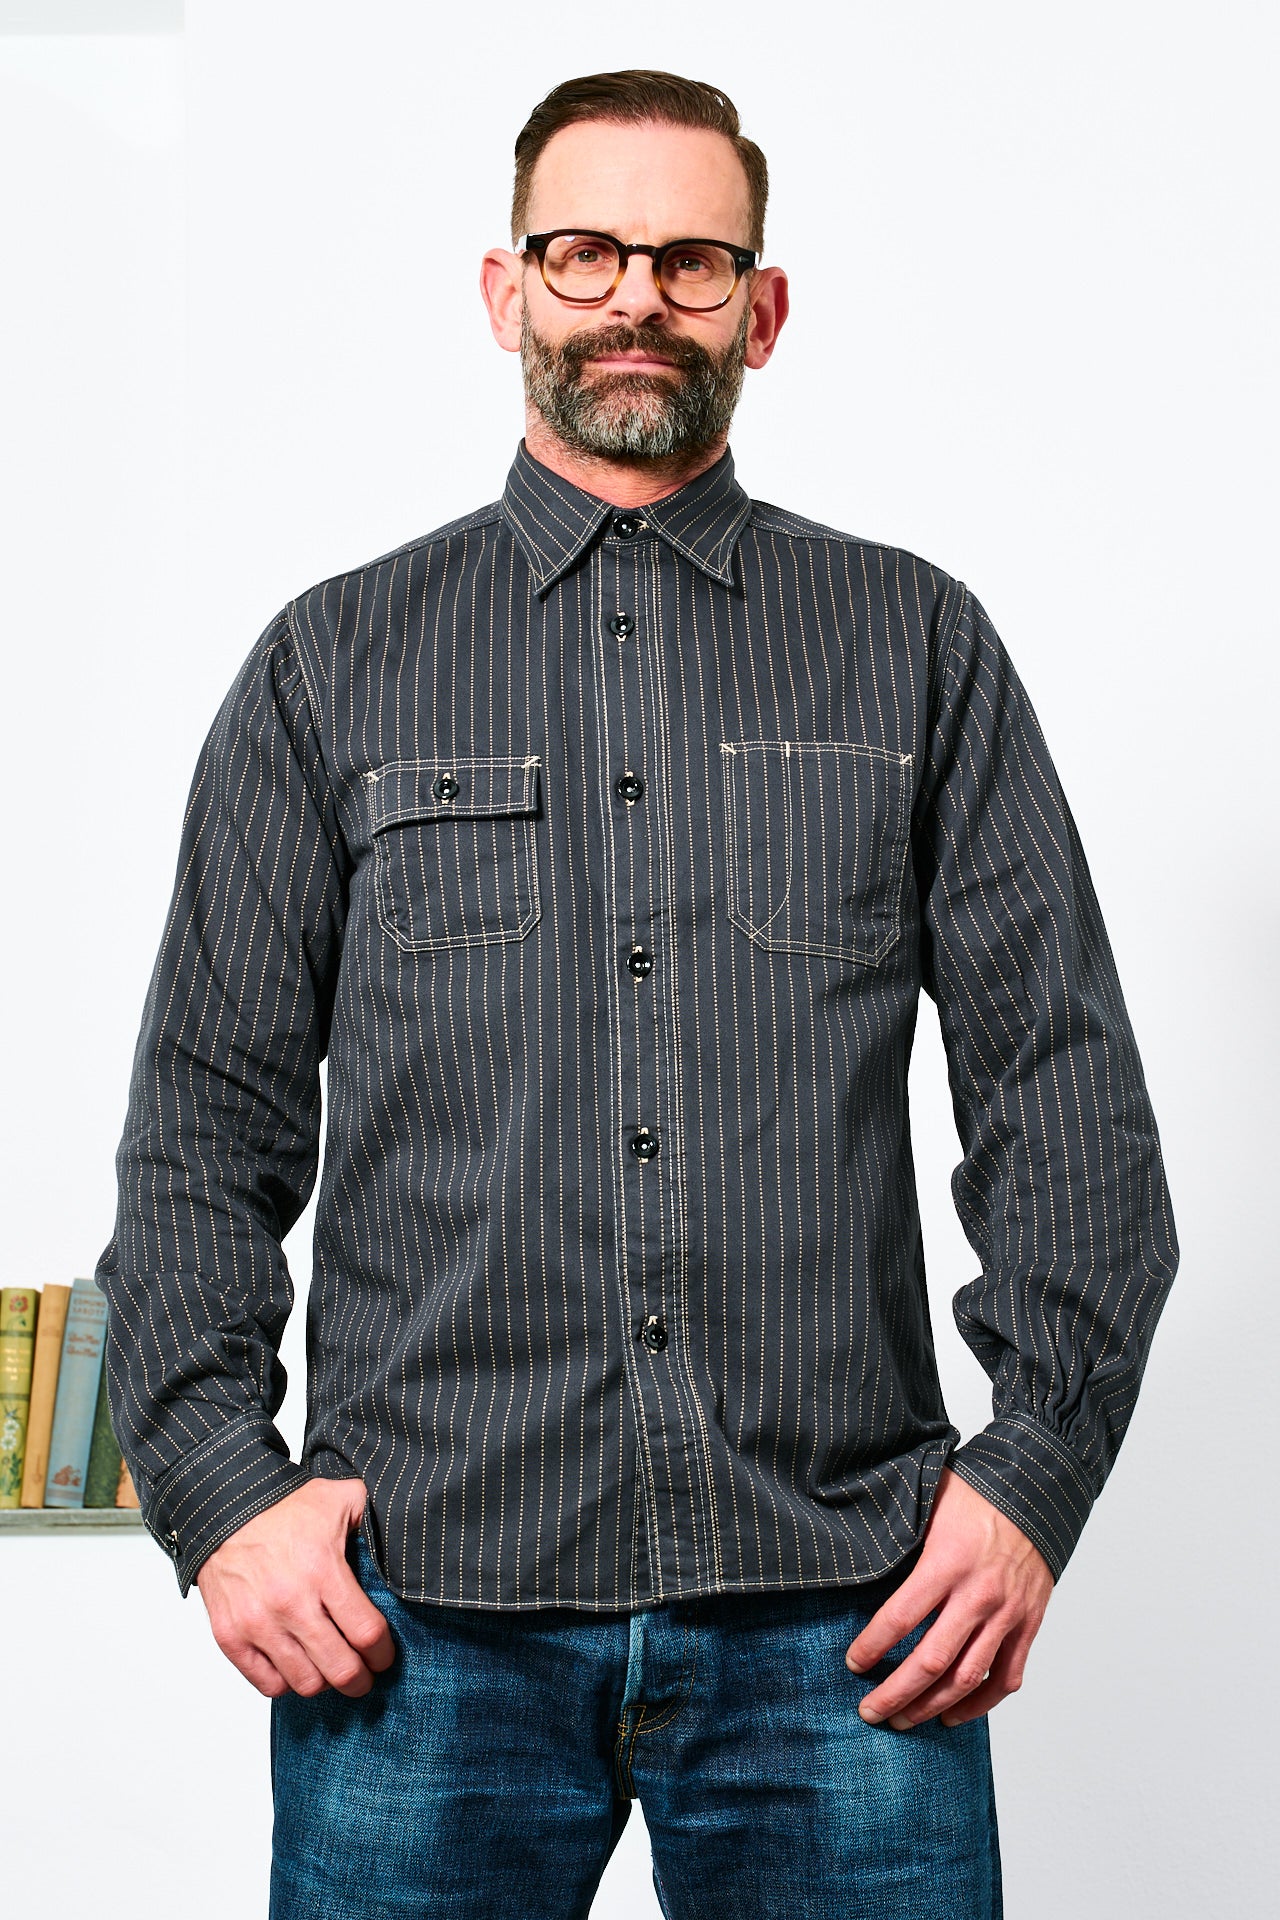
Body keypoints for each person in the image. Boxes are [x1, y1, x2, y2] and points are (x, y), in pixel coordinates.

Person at [95, 68, 1179, 1920]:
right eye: (586, 251)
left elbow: (1065, 1097)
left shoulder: (916, 643)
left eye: (692, 261)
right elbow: (203, 1129)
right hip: (422, 1617)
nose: (636, 299)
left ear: (763, 308)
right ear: (506, 287)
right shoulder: (331, 663)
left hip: (843, 1619)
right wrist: (217, 1492)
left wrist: (1031, 1480)